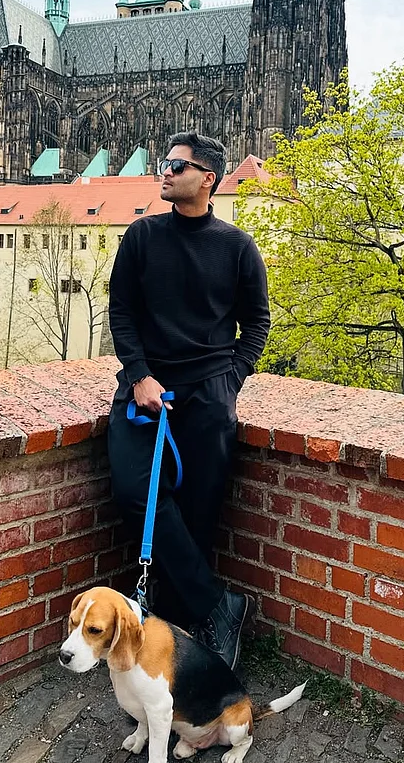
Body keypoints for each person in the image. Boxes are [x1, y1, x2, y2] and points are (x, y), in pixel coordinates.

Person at [107, 132, 271, 670]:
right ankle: (219, 606)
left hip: (208, 398)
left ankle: (186, 637)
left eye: (178, 165)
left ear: (208, 179)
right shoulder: (142, 236)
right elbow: (122, 312)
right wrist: (139, 375)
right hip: (145, 392)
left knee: (200, 517)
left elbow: (258, 324)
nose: (166, 170)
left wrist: (232, 380)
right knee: (138, 493)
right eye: (164, 162)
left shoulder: (237, 246)